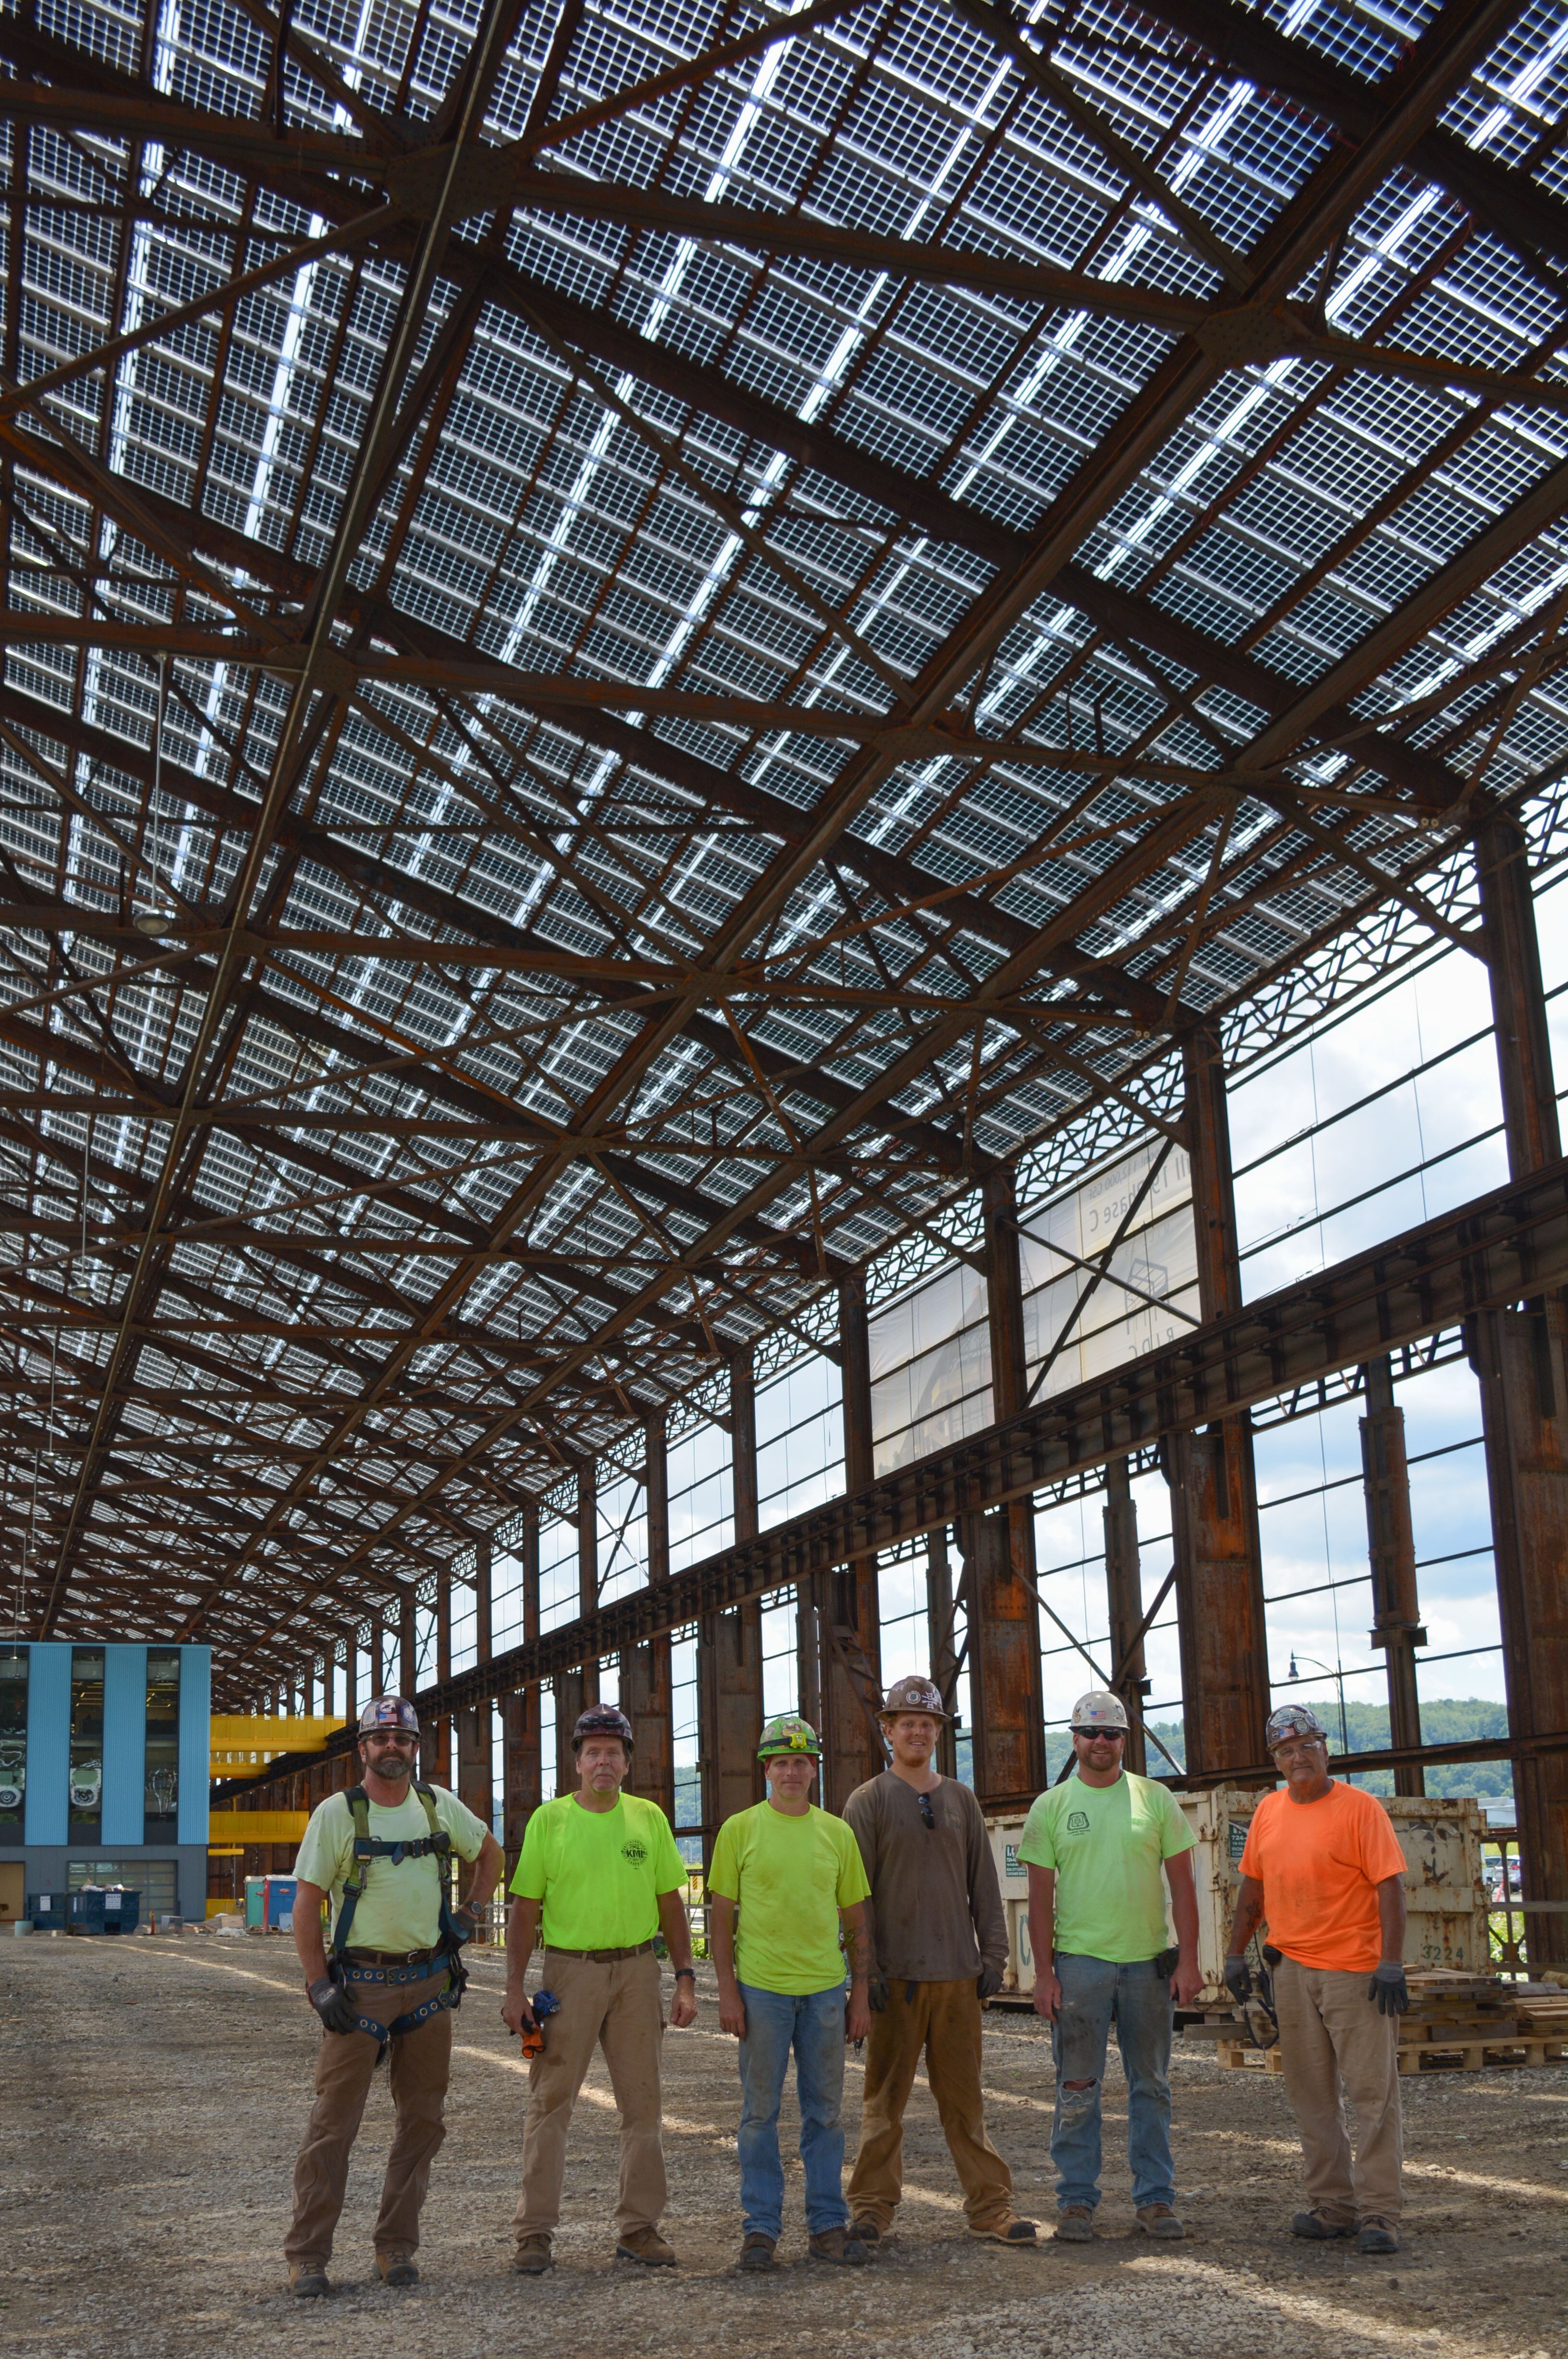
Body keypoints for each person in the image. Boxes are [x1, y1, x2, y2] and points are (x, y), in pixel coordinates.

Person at [285, 1693, 504, 2297]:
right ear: (363, 1750)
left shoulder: (438, 1808)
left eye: (403, 1740)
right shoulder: (337, 1815)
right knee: (333, 2125)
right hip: (361, 1989)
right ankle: (308, 2256)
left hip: (429, 1985)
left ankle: (396, 2248)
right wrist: (318, 1984)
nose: (392, 1748)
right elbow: (306, 1907)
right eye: (380, 1739)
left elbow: (491, 1853)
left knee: (423, 2122)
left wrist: (470, 1913)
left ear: (415, 1749)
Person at [502, 1702, 698, 2274]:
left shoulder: (649, 1819)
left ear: (627, 1762)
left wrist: (685, 1976)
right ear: (578, 1763)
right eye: (594, 1753)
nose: (604, 1762)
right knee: (550, 2102)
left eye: (614, 1752)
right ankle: (534, 2233)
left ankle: (638, 2228)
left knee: (644, 2106)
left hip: (638, 1971)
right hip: (571, 1972)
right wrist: (515, 1989)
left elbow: (670, 1903)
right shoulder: (550, 1821)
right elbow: (524, 1908)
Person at [844, 1673, 1036, 2252]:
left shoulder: (960, 1800)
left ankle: (990, 2209)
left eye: (928, 1724)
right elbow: (855, 1896)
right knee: (883, 2105)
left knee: (965, 2102)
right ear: (888, 1731)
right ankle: (872, 2209)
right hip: (895, 1979)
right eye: (908, 1723)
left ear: (938, 1733)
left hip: (956, 1975)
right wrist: (865, 1972)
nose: (918, 1732)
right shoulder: (869, 1801)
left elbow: (985, 1882)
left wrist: (994, 1955)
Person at [1224, 1702, 1409, 2255]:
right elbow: (1252, 1890)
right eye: (1286, 1750)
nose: (1298, 1757)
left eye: (1307, 1746)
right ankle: (1333, 2206)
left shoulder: (1361, 1809)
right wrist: (1234, 1953)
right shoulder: (1269, 1812)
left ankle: (1380, 2212)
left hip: (1355, 1971)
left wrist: (1391, 1961)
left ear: (1325, 1750)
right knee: (1311, 2094)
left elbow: (1391, 1888)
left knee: (1373, 2093)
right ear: (1275, 1760)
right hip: (1292, 1970)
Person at [1019, 1689, 1201, 2245]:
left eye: (1112, 1734)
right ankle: (1076, 2201)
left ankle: (1155, 2201)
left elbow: (1184, 1888)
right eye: (1091, 1733)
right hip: (1079, 1970)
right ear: (1074, 1741)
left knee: (1152, 2086)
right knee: (1078, 2088)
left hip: (1148, 1966)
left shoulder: (1157, 1801)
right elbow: (1040, 1902)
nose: (1102, 1742)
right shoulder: (1050, 1808)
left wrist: (1189, 1961)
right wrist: (1045, 1975)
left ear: (1126, 1741)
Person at [709, 1713, 873, 2272]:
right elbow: (722, 1920)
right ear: (766, 1770)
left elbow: (855, 1920)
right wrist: (727, 1993)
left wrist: (859, 1995)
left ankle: (827, 2225)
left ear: (815, 1770)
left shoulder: (837, 1833)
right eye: (782, 1761)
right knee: (759, 2115)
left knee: (825, 2115)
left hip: (826, 1993)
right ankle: (760, 2230)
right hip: (763, 1994)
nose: (793, 1772)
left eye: (802, 1762)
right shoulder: (740, 1831)